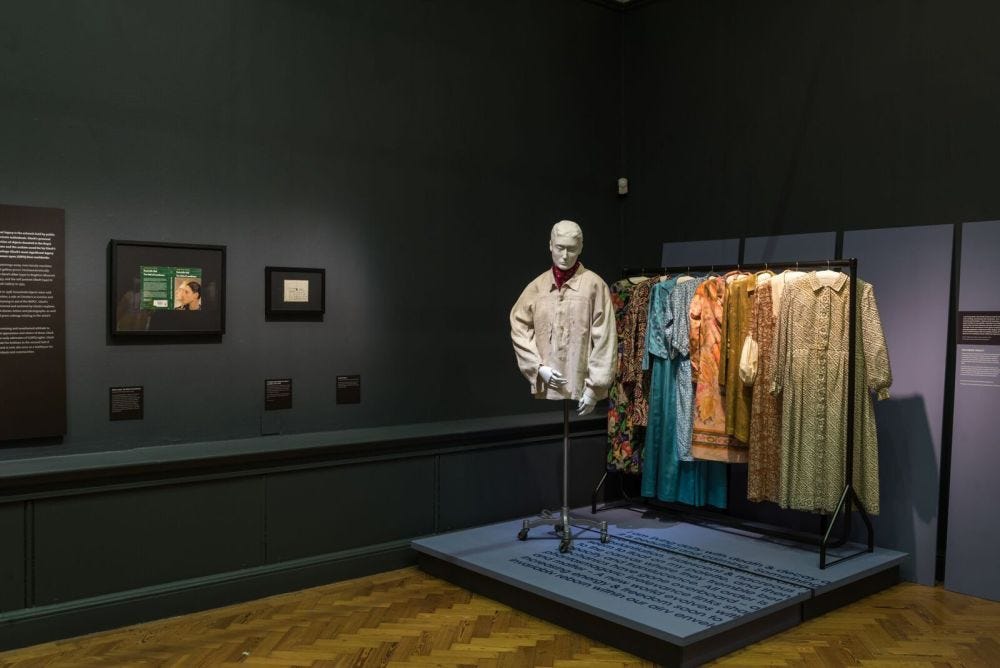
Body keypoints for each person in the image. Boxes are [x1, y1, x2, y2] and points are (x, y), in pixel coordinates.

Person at [510, 220, 616, 416]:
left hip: (581, 381)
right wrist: (537, 367)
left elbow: (605, 339)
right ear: (551, 245)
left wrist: (594, 389)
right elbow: (518, 326)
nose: (565, 255)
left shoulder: (594, 286)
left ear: (581, 248)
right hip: (549, 377)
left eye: (572, 249)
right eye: (560, 247)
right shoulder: (537, 287)